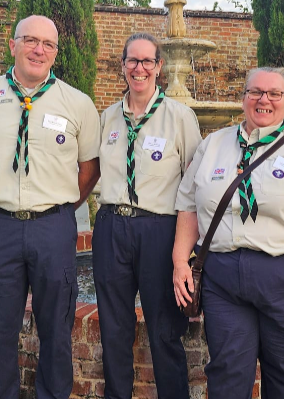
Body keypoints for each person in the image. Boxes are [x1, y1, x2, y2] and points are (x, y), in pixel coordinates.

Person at [0, 15, 100, 399]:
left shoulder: (78, 103)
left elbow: (89, 171)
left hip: (53, 226)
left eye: (48, 44)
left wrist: (60, 208)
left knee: (56, 330)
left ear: (56, 52)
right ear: (13, 44)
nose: (39, 50)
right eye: (31, 40)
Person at [173, 67, 284, 399]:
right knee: (226, 373)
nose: (264, 100)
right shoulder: (213, 145)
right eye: (255, 92)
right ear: (244, 97)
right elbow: (189, 206)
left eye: (274, 94)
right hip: (223, 281)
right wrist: (179, 262)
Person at [93, 32, 202, 399]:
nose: (139, 68)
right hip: (111, 227)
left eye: (147, 61)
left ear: (159, 67)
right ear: (123, 66)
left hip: (159, 228)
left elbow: (193, 180)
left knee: (164, 327)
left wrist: (188, 247)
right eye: (132, 61)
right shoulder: (107, 117)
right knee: (114, 326)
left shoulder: (180, 117)